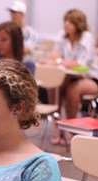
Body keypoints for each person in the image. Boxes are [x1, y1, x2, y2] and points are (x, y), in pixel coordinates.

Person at [40, 9, 98, 145]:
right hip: (68, 76)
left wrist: (59, 61)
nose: (67, 24)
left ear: (78, 24)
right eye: (66, 21)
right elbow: (55, 54)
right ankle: (57, 126)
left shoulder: (86, 37)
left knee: (73, 90)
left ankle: (70, 129)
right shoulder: (62, 35)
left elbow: (81, 64)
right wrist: (59, 61)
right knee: (55, 86)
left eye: (70, 21)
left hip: (89, 77)